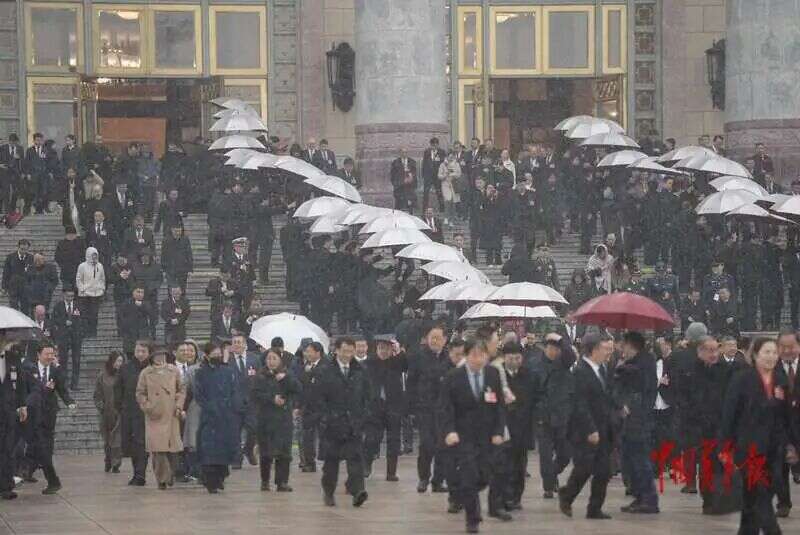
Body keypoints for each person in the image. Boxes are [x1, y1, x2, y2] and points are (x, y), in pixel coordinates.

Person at [721, 337, 797, 535]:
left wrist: (792, 445)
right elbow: (729, 415)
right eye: (766, 352)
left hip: (774, 452)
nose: (771, 356)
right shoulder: (742, 379)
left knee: (751, 502)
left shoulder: (780, 380)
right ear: (755, 355)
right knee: (761, 499)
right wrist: (724, 447)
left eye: (774, 352)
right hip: (749, 451)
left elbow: (787, 417)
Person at [439, 339, 506, 533]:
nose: (478, 359)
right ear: (467, 356)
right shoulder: (453, 377)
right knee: (469, 475)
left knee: (484, 475)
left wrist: (499, 431)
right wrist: (449, 430)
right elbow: (445, 407)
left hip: (487, 436)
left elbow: (500, 406)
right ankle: (473, 518)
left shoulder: (493, 374)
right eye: (474, 355)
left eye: (482, 355)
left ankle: (462, 492)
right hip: (463, 436)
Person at [559, 333, 615, 520]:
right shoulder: (580, 371)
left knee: (604, 471)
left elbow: (605, 396)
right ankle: (567, 495)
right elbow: (580, 404)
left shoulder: (602, 369)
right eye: (603, 349)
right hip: (585, 430)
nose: (607, 353)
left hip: (603, 427)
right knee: (584, 468)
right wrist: (590, 429)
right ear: (593, 350)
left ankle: (594, 508)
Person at [318, 337, 370, 507]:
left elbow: (367, 396)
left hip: (354, 424)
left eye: (350, 351)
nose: (348, 355)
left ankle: (358, 492)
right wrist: (325, 418)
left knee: (356, 460)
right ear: (337, 351)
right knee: (331, 462)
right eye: (345, 351)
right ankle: (328, 492)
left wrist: (363, 416)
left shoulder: (360, 370)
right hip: (332, 424)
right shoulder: (326, 371)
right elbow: (319, 398)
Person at [21, 342, 75, 494]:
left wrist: (69, 402)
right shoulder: (29, 369)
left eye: (52, 354)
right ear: (39, 355)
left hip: (49, 414)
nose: (50, 357)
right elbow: (26, 390)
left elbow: (62, 389)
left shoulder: (56, 370)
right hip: (32, 413)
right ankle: (37, 473)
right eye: (47, 354)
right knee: (38, 446)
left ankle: (38, 474)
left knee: (43, 446)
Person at [616, 331, 659, 514]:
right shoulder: (634, 362)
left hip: (639, 419)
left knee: (640, 460)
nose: (622, 349)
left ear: (631, 346)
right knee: (630, 460)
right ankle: (639, 496)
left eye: (623, 345)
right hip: (631, 419)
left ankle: (649, 499)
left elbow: (641, 382)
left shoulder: (644, 362)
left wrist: (621, 368)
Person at [194, 342, 244, 493]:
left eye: (219, 354)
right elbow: (199, 395)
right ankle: (210, 482)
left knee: (224, 449)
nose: (217, 356)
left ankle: (221, 477)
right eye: (214, 354)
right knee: (209, 451)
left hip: (226, 416)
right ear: (206, 355)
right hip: (209, 417)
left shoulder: (228, 371)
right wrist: (210, 407)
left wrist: (233, 407)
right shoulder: (201, 373)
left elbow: (234, 391)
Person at [407, 323, 450, 493]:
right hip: (424, 408)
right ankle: (423, 478)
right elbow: (411, 382)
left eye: (438, 338)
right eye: (432, 338)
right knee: (426, 444)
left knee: (442, 446)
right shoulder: (419, 357)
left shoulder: (448, 357)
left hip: (444, 410)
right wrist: (411, 408)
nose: (435, 341)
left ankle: (438, 481)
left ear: (445, 340)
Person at [251, 347, 301, 491]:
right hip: (266, 419)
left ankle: (282, 482)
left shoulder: (287, 374)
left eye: (274, 358)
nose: (271, 361)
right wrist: (272, 399)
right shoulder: (260, 376)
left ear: (280, 360)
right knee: (266, 452)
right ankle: (265, 481)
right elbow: (255, 395)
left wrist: (286, 379)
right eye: (269, 358)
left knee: (284, 453)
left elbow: (298, 389)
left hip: (283, 419)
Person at [136, 347, 185, 490]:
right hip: (155, 416)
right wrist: (147, 406)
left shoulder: (173, 370)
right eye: (157, 356)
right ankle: (162, 478)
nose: (160, 358)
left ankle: (170, 474)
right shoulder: (146, 373)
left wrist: (179, 405)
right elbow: (140, 393)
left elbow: (182, 389)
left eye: (162, 355)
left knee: (173, 449)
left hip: (171, 414)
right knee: (158, 450)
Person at [532, 333, 575, 498]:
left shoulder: (563, 363)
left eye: (556, 349)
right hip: (543, 417)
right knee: (545, 455)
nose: (553, 351)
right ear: (545, 348)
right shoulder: (536, 365)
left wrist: (561, 340)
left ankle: (553, 474)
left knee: (565, 454)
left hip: (562, 416)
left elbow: (571, 355)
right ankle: (548, 486)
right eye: (550, 348)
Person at [363, 338, 408, 481]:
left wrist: (399, 351)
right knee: (372, 438)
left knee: (394, 441)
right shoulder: (369, 363)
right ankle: (366, 466)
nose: (384, 351)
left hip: (393, 406)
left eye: (387, 349)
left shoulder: (396, 362)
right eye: (381, 348)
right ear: (377, 349)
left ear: (391, 350)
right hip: (374, 407)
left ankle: (391, 473)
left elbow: (406, 364)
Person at [502, 342, 535, 511]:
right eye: (510, 358)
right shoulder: (497, 375)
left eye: (517, 358)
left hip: (523, 428)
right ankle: (506, 497)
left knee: (520, 466)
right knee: (505, 465)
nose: (514, 361)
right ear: (504, 358)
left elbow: (533, 399)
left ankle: (516, 497)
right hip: (503, 428)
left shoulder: (528, 375)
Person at [116, 340, 152, 486]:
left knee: (141, 443)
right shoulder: (126, 368)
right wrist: (120, 407)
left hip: (147, 412)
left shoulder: (152, 368)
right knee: (132, 444)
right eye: (138, 351)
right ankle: (137, 472)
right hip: (129, 411)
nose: (140, 354)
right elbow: (118, 389)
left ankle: (140, 474)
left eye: (144, 351)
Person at [775, 329, 800, 518]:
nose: (786, 350)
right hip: (780, 425)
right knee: (780, 467)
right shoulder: (770, 368)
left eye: (791, 346)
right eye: (782, 347)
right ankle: (783, 503)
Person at [229, 333, 261, 468]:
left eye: (239, 342)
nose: (237, 344)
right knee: (235, 432)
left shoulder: (254, 359)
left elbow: (260, 378)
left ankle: (248, 449)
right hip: (233, 403)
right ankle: (237, 459)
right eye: (234, 342)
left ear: (245, 345)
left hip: (251, 402)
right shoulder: (227, 360)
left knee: (254, 429)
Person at [296, 341, 327, 473]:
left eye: (309, 351)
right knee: (307, 437)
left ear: (318, 352)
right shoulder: (306, 366)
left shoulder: (326, 366)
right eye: (306, 351)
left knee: (326, 437)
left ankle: (328, 462)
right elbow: (301, 387)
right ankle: (309, 462)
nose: (306, 354)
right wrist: (298, 406)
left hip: (323, 408)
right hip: (308, 408)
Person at [93, 351, 123, 473]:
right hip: (105, 412)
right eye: (117, 361)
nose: (119, 363)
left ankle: (116, 463)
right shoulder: (102, 376)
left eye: (121, 361)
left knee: (117, 439)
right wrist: (101, 407)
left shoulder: (123, 375)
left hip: (119, 412)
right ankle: (108, 460)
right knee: (107, 440)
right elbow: (97, 394)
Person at [51, 287, 84, 390]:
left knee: (76, 360)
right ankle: (63, 383)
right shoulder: (58, 306)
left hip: (76, 337)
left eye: (72, 296)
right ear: (64, 295)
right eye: (68, 296)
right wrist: (63, 322)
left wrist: (80, 331)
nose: (70, 298)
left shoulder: (78, 306)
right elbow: (54, 319)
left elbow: (84, 319)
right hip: (63, 336)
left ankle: (74, 384)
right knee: (63, 360)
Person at [75, 246, 105, 338]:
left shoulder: (100, 266)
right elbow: (78, 279)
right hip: (84, 295)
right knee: (84, 314)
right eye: (93, 256)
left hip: (96, 294)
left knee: (94, 314)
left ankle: (93, 332)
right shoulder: (82, 266)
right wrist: (82, 289)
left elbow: (102, 279)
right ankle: (85, 332)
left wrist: (102, 288)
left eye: (96, 256)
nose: (94, 258)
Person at [2, 239, 33, 312]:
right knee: (13, 308)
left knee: (25, 309)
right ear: (18, 247)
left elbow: (33, 273)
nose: (23, 251)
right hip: (13, 287)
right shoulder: (10, 257)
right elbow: (6, 273)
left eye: (25, 249)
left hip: (26, 288)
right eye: (22, 249)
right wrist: (4, 286)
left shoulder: (31, 258)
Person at [160, 224, 193, 293]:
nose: (177, 233)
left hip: (183, 269)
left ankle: (182, 299)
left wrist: (190, 269)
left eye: (179, 231)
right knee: (171, 289)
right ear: (172, 230)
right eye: (176, 231)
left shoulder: (185, 240)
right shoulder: (166, 240)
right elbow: (163, 255)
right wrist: (163, 269)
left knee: (182, 288)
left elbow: (189, 254)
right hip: (170, 269)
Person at [422, 137, 447, 212]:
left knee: (439, 192)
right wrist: (423, 175)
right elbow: (424, 163)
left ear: (438, 145)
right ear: (431, 145)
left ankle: (442, 209)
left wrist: (443, 174)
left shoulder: (442, 152)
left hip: (437, 176)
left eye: (436, 145)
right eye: (433, 145)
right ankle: (424, 209)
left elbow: (444, 163)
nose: (434, 147)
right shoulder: (427, 152)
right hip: (428, 176)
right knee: (426, 192)